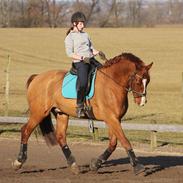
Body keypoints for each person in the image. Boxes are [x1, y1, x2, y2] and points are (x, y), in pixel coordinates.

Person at [64, 11, 105, 118]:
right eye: (81, 23)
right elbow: (69, 53)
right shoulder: (70, 37)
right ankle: (80, 106)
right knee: (83, 83)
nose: (83, 25)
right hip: (80, 63)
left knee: (105, 73)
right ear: (74, 24)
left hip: (90, 60)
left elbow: (90, 48)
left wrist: (98, 52)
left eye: (83, 23)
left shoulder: (86, 35)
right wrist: (82, 58)